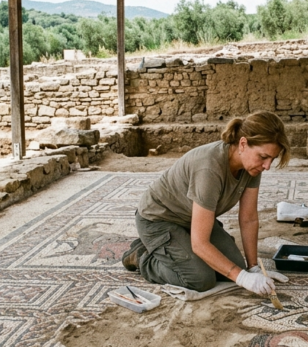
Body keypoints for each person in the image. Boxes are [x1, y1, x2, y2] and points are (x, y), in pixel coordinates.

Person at [122, 111, 291, 296]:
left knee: (234, 268)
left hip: (190, 220)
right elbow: (199, 244)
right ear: (243, 144)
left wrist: (252, 269)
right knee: (200, 278)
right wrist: (242, 278)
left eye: (272, 159)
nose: (267, 166)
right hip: (158, 221)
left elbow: (249, 219)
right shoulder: (209, 168)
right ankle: (142, 256)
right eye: (263, 157)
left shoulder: (251, 167)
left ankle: (176, 247)